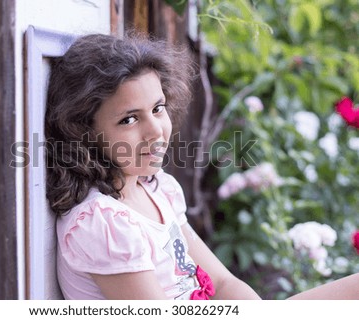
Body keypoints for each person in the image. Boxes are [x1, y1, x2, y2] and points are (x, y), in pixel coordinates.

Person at [45, 32, 359, 300]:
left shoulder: (155, 188)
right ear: (83, 131)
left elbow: (222, 283)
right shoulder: (102, 224)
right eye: (129, 119)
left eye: (157, 108)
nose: (155, 130)